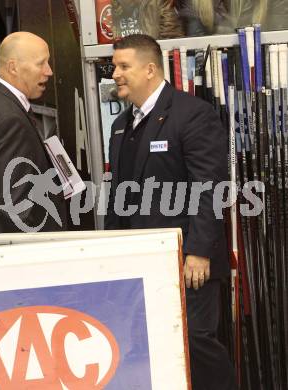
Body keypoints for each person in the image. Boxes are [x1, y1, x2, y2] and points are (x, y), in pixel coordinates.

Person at [105, 34, 236, 390]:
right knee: (151, 346)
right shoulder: (120, 125)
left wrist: (198, 251)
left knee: (194, 342)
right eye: (114, 66)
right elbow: (119, 195)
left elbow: (208, 188)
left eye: (123, 66)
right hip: (140, 262)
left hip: (187, 263)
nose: (115, 73)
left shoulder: (192, 114)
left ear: (150, 69)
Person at [0, 31, 67, 237]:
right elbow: (18, 208)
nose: (49, 71)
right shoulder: (11, 120)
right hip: (10, 252)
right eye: (41, 63)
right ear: (13, 67)